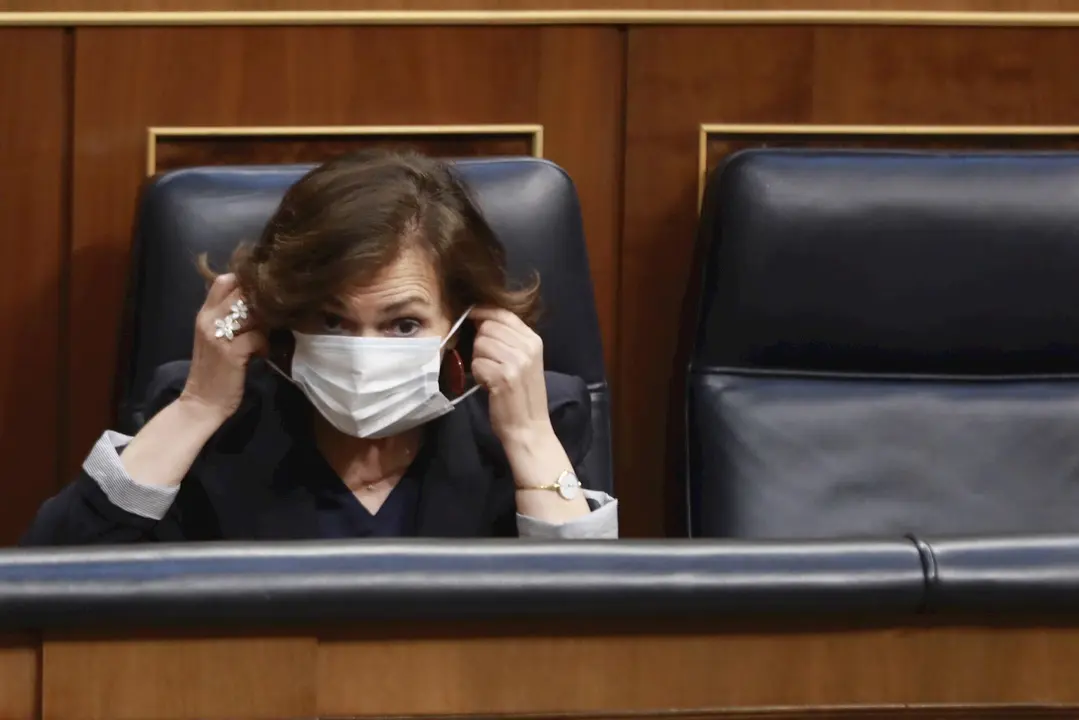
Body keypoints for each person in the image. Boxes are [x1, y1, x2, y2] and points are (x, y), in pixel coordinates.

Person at [22, 150, 617, 545]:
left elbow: (591, 629)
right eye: (332, 321)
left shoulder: (530, 420)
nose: (363, 352)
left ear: (463, 323)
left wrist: (531, 438)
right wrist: (198, 409)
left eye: (403, 325)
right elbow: (54, 587)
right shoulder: (210, 418)